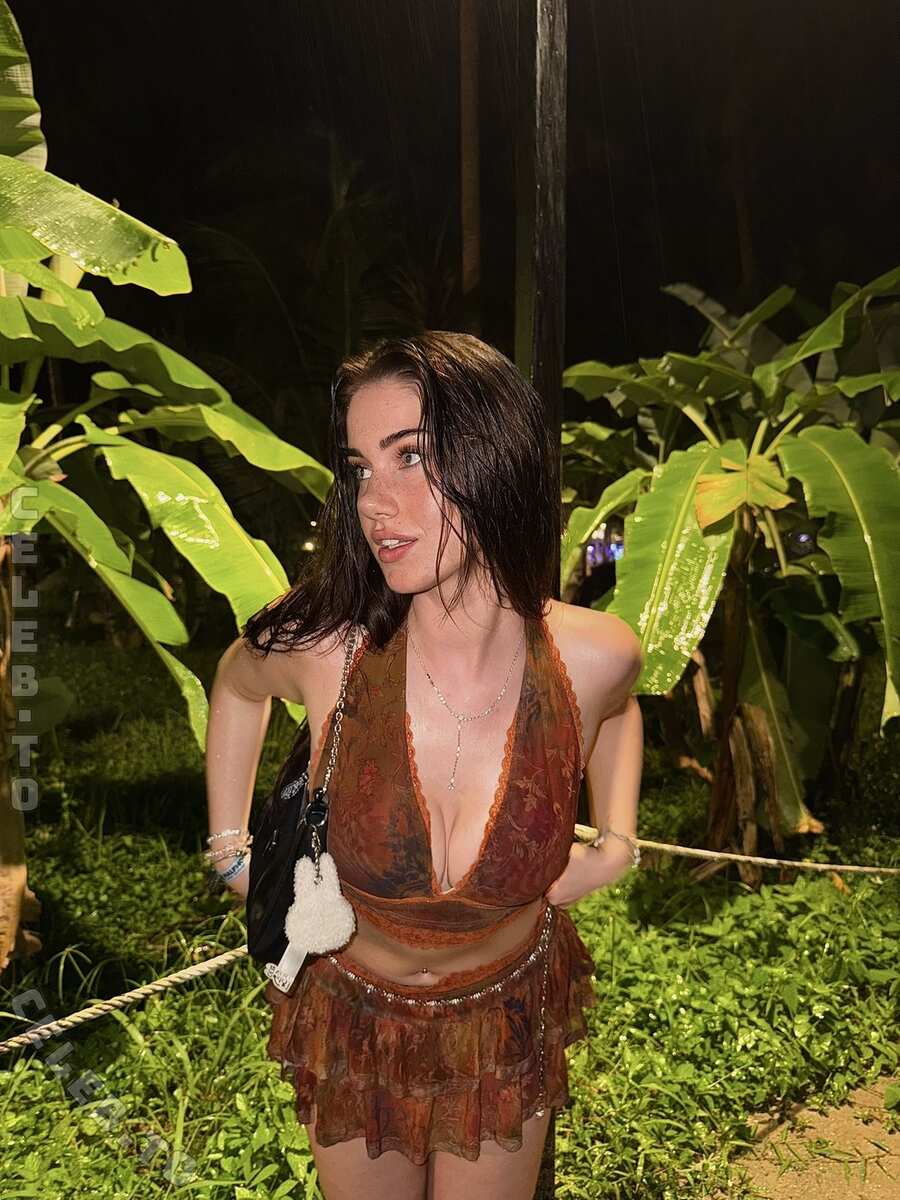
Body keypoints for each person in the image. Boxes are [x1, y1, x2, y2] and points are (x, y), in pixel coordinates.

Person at [205, 331, 644, 1200]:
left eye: (410, 456)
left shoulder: (592, 656)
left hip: (505, 1021)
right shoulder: (328, 649)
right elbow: (235, 686)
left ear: (495, 456)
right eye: (360, 467)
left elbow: (622, 709)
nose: (375, 502)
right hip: (354, 1018)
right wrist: (229, 847)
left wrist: (618, 841)